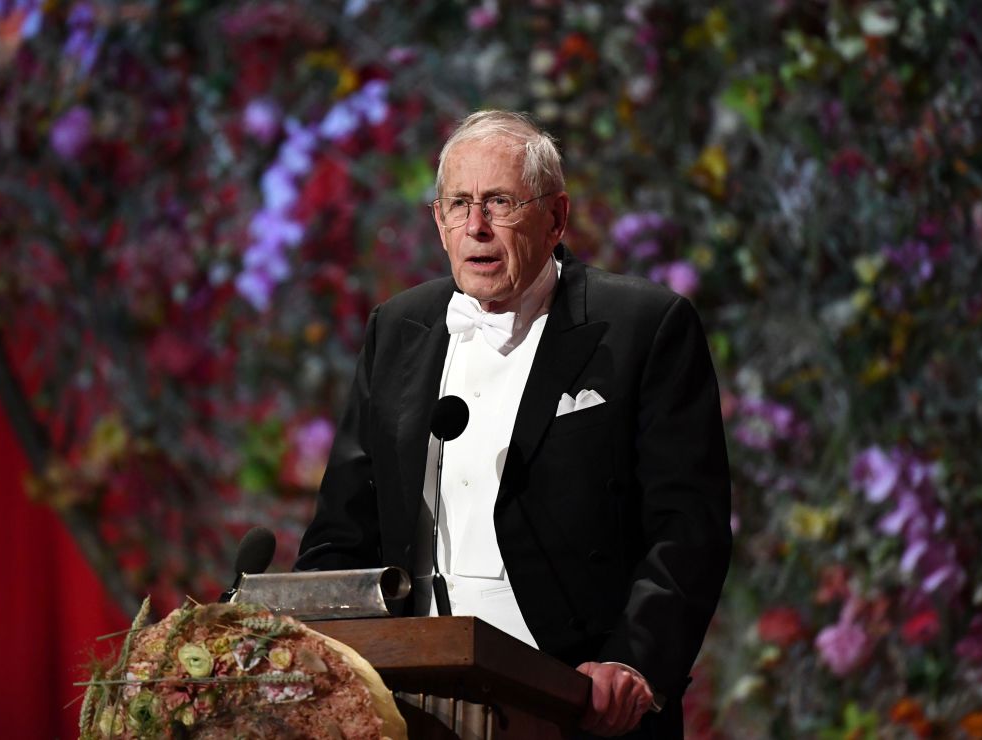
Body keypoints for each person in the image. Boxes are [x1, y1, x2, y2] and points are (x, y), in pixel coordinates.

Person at [295, 110, 731, 739]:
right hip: (411, 701)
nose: (476, 226)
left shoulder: (644, 327)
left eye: (499, 202)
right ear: (438, 222)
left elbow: (688, 528)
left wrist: (632, 660)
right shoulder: (398, 328)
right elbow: (342, 531)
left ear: (556, 218)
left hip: (577, 700)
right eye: (459, 204)